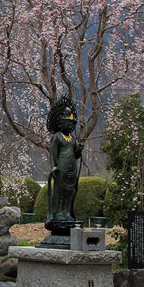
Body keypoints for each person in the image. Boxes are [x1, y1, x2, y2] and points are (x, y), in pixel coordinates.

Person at [45, 95, 83, 227]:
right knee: (60, 191)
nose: (70, 125)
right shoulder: (57, 137)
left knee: (69, 191)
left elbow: (76, 155)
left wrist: (79, 149)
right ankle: (58, 213)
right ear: (61, 124)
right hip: (61, 166)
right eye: (68, 123)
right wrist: (54, 167)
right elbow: (52, 154)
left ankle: (67, 212)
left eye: (71, 124)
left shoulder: (72, 139)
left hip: (72, 167)